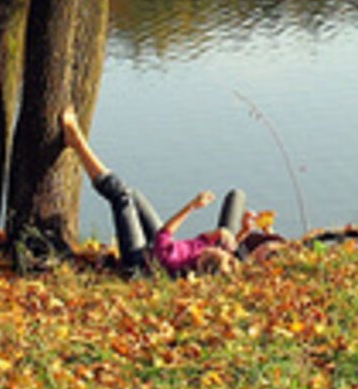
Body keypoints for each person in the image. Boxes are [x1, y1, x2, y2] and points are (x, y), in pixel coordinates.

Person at [62, 107, 260, 276]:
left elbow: (164, 234)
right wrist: (236, 231)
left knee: (121, 196)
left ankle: (77, 142)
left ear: (200, 263)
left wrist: (192, 206)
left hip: (139, 261)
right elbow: (207, 240)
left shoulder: (175, 261)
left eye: (212, 249)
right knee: (135, 196)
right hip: (158, 251)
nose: (212, 245)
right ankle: (81, 147)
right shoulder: (210, 253)